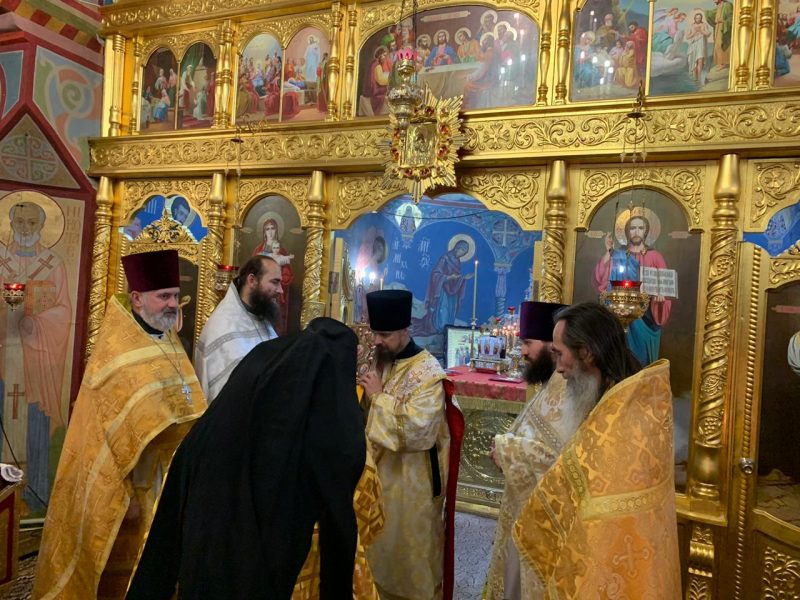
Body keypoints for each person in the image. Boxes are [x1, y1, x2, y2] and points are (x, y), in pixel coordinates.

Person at [127, 318, 370, 599]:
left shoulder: (265, 359)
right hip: (251, 545)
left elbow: (193, 448)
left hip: (204, 510)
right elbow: (339, 481)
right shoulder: (324, 402)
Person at [33, 249, 207, 599]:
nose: (173, 305)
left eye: (176, 296)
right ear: (137, 299)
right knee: (123, 571)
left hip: (167, 480)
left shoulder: (168, 337)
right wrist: (122, 494)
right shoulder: (116, 352)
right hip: (132, 487)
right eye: (164, 297)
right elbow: (102, 435)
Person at [513, 302, 681, 598]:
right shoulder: (612, 395)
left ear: (586, 352)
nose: (558, 367)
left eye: (559, 354)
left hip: (620, 561)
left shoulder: (625, 412)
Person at [358, 290, 464, 600]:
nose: (377, 341)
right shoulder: (382, 362)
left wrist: (378, 398)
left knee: (408, 560)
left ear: (406, 329)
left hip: (412, 486)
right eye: (375, 333)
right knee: (377, 550)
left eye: (385, 335)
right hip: (379, 478)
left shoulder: (428, 374)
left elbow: (418, 430)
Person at [485, 301, 583, 600]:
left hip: (544, 525)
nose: (523, 351)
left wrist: (508, 451)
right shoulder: (552, 382)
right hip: (524, 512)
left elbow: (564, 460)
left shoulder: (567, 386)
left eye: (528, 343)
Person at [0, 201, 71, 512]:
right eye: (20, 222)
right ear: (11, 224)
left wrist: (37, 322)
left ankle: (36, 495)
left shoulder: (52, 264)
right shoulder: (1, 260)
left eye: (32, 223)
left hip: (37, 366)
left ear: (42, 227)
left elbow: (64, 311)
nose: (25, 228)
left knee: (35, 425)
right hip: (3, 364)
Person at [194, 255, 282, 402]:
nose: (280, 290)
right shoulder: (223, 325)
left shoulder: (260, 316)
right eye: (275, 282)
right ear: (252, 280)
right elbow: (228, 395)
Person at [593, 211, 672, 365]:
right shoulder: (618, 254)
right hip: (619, 313)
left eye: (640, 228)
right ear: (627, 231)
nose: (636, 232)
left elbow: (665, 285)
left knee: (640, 363)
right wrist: (608, 252)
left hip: (645, 316)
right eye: (632, 228)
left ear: (646, 231)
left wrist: (660, 298)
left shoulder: (655, 256)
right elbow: (601, 280)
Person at [413, 240, 469, 336]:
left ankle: (446, 330)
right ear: (457, 248)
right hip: (442, 291)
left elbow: (456, 277)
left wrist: (463, 279)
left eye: (465, 253)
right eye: (462, 251)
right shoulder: (445, 258)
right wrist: (448, 277)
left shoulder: (458, 261)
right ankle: (438, 328)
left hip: (452, 291)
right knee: (443, 311)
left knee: (450, 311)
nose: (462, 254)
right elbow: (436, 273)